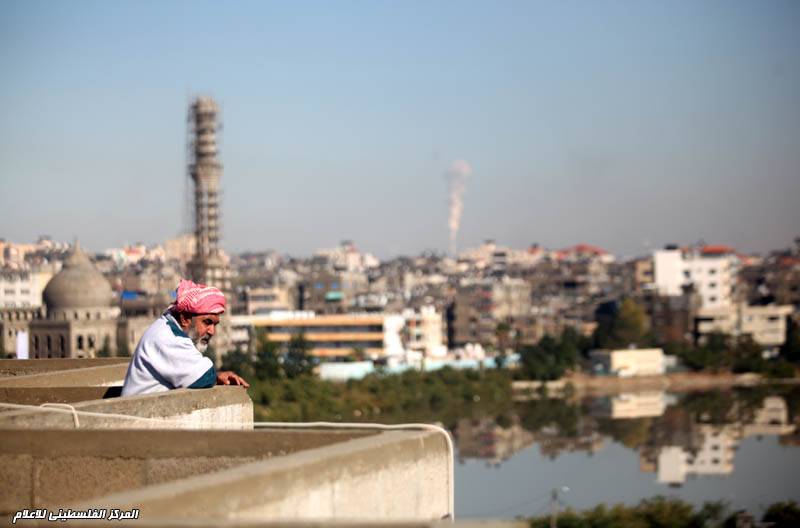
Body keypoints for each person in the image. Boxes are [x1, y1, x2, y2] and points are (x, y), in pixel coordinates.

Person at [121, 279, 249, 396]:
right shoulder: (169, 338)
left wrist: (217, 376)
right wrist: (216, 376)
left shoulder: (167, 326)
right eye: (207, 322)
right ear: (185, 319)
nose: (212, 331)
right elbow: (204, 377)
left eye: (215, 324)